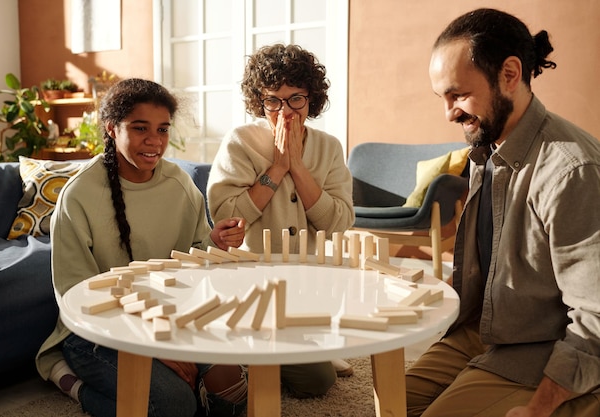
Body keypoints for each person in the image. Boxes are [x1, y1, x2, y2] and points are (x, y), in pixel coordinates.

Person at [404, 8, 600, 417]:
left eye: (457, 94)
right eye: (442, 97)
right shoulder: (487, 149)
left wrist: (540, 406)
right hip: (488, 328)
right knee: (386, 401)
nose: (449, 111)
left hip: (545, 348)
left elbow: (597, 316)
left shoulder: (571, 171)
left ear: (510, 74)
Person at [35, 78, 248, 417]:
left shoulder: (180, 185)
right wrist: (152, 347)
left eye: (162, 129)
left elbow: (195, 254)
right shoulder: (78, 195)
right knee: (175, 405)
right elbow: (76, 296)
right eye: (139, 128)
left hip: (171, 317)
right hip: (95, 332)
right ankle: (73, 384)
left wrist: (215, 242)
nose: (154, 141)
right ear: (111, 129)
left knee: (235, 387)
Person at [206, 44, 356, 395]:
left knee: (317, 377)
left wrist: (298, 167)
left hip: (310, 290)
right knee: (316, 381)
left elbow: (339, 222)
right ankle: (250, 348)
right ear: (260, 101)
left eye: (295, 99)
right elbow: (226, 216)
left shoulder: (329, 147)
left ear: (311, 99)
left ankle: (305, 344)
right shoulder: (241, 142)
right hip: (252, 292)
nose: (284, 111)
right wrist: (276, 168)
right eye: (273, 100)